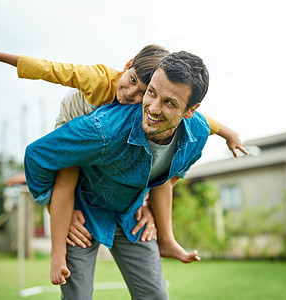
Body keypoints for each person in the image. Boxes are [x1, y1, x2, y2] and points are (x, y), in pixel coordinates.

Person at [0, 41, 247, 285]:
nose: (133, 96)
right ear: (127, 66)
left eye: (146, 93)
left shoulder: (165, 115)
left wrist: (229, 133)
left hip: (115, 164)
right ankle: (57, 254)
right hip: (74, 132)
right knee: (66, 177)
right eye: (137, 84)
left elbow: (202, 122)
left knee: (160, 171)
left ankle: (168, 239)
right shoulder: (100, 80)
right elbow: (51, 70)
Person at [24, 50, 213, 299]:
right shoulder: (104, 129)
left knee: (156, 296)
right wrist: (55, 207)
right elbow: (37, 154)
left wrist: (148, 204)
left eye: (169, 102)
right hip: (83, 213)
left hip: (130, 213)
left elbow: (168, 175)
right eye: (151, 93)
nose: (153, 108)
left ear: (191, 110)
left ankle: (167, 241)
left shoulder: (197, 135)